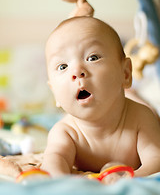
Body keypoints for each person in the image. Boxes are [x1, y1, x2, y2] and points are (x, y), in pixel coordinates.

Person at [41, 16, 160, 180]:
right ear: (54, 93)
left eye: (93, 58)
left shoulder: (141, 117)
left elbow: (156, 160)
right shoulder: (65, 132)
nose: (77, 71)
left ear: (125, 73)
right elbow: (54, 162)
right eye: (63, 66)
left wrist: (129, 178)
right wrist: (64, 181)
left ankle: (135, 94)